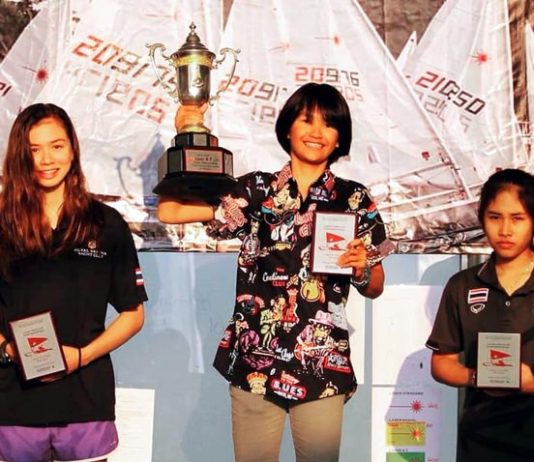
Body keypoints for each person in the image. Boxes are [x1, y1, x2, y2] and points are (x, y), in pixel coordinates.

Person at [158, 83, 392, 462]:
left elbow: (375, 286)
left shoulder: (354, 199)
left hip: (321, 364)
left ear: (340, 138)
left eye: (329, 124)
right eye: (306, 120)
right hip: (255, 361)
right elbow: (170, 211)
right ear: (287, 128)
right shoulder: (256, 190)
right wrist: (185, 137)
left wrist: (362, 268)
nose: (316, 132)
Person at [0, 103, 147, 462]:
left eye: (56, 146)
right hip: (11, 405)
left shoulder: (106, 224)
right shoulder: (2, 222)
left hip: (86, 403)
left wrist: (81, 357)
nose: (46, 159)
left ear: (72, 149)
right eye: (34, 149)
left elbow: (133, 315)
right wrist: (8, 349)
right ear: (19, 155)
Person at [426, 168, 534, 462]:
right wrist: (477, 376)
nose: (505, 230)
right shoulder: (462, 284)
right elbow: (442, 363)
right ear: (482, 218)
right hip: (480, 438)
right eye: (495, 217)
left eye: (518, 218)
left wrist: (530, 382)